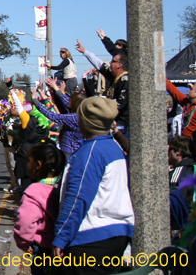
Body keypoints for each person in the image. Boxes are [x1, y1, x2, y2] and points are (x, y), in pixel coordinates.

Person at [52, 96, 134, 274]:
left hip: (91, 239)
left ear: (84, 123)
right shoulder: (113, 147)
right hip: (115, 235)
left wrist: (61, 237)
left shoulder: (90, 153)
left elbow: (77, 199)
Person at [14, 143, 66, 275]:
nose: (27, 165)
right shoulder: (63, 187)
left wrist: (24, 243)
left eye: (29, 161)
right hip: (63, 247)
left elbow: (25, 221)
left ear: (38, 165)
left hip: (43, 250)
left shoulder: (33, 192)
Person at [76, 39, 129, 137]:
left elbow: (121, 103)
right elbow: (101, 65)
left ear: (120, 65)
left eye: (113, 61)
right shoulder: (116, 78)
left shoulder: (126, 80)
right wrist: (85, 52)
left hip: (123, 125)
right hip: (114, 123)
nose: (110, 62)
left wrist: (102, 103)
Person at [8, 90, 50, 195]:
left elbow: (18, 107)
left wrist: (12, 92)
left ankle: (26, 203)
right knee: (37, 182)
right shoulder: (45, 124)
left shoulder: (26, 119)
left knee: (26, 183)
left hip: (26, 155)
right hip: (39, 155)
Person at [34, 82, 86, 158]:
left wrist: (35, 101)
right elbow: (64, 99)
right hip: (74, 148)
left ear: (75, 103)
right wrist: (55, 88)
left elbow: (52, 116)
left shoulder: (74, 117)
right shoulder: (81, 112)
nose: (69, 100)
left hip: (70, 151)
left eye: (71, 99)